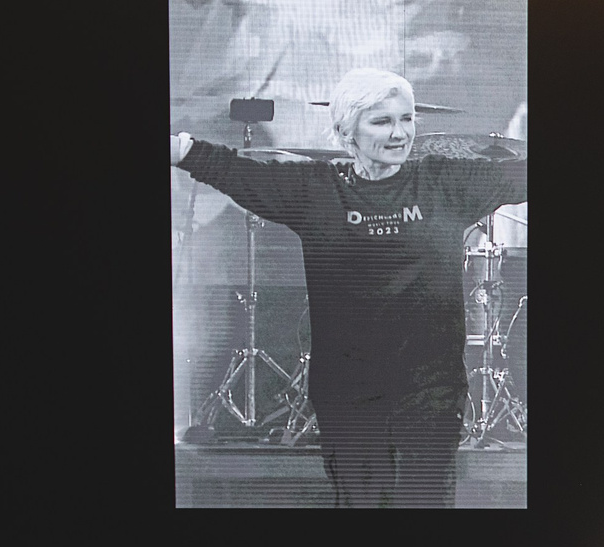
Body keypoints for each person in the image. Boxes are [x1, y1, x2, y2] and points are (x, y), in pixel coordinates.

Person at [171, 67, 528, 508]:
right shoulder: (315, 190)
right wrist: (182, 150)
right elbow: (227, 167)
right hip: (348, 392)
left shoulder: (443, 182)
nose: (400, 134)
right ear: (346, 133)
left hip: (430, 392)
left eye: (407, 118)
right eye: (382, 121)